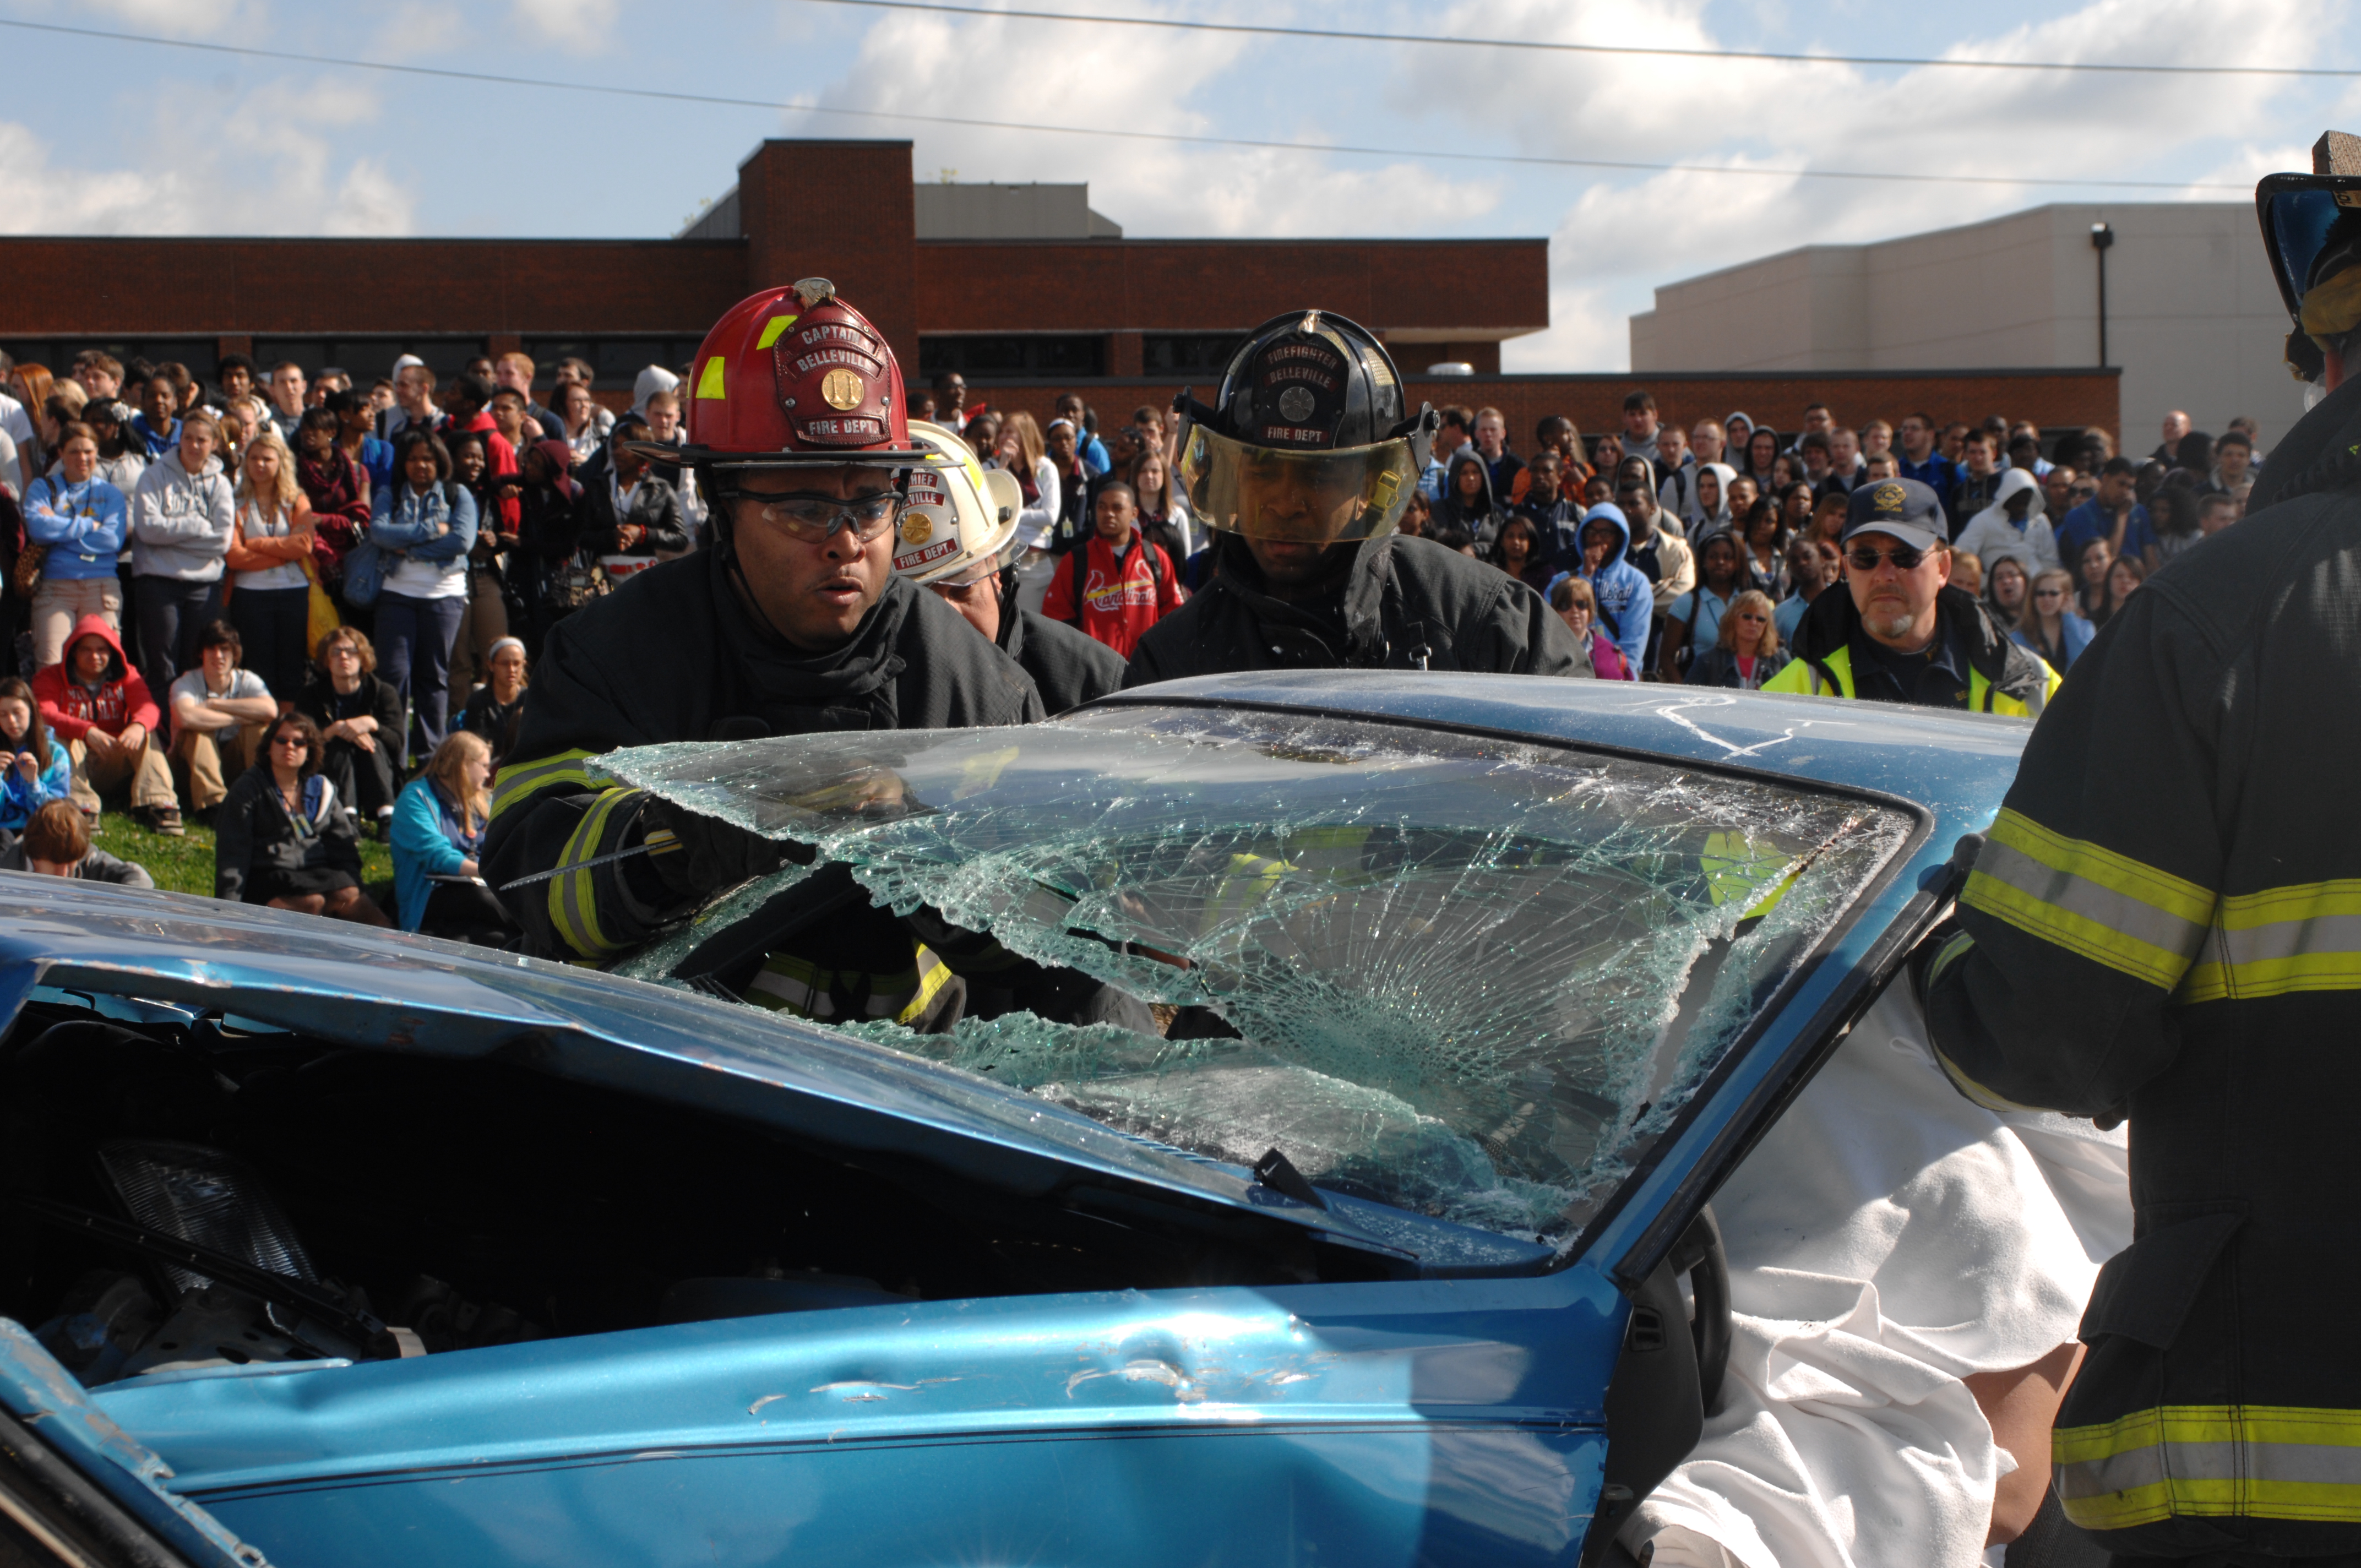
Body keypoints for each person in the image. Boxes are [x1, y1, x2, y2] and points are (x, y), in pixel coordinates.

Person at [1916, 129, 2361, 1564]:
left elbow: (2044, 1036)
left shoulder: (2218, 621)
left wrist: (1938, 945)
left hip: (2283, 1458)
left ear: (2327, 354)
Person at [482, 277, 1044, 973]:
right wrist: (664, 845)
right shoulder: (614, 654)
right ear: (722, 503)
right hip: (681, 1066)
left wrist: (929, 856)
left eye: (871, 504)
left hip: (905, 1066)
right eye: (805, 508)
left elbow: (1051, 945)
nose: (846, 543)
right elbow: (526, 870)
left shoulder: (978, 691)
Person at [1122, 310, 1581, 685]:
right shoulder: (1175, 663)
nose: (1285, 503)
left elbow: (1577, 723)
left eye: (1316, 477)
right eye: (1262, 471)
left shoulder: (1476, 618)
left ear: (1374, 486)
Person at [1763, 479, 2059, 713]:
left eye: (1905, 556)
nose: (1884, 574)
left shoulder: (2028, 681)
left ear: (1943, 568)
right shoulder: (1799, 690)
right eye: (1865, 557)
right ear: (1847, 570)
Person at [895, 419, 1122, 717]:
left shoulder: (1093, 682)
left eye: (962, 589)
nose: (946, 621)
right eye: (919, 603)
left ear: (998, 573)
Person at [215, 710, 388, 924]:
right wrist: (228, 910)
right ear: (269, 746)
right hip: (267, 874)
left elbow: (343, 846)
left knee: (349, 895)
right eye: (282, 740)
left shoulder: (321, 789)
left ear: (310, 751)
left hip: (314, 870)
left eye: (299, 743)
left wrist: (352, 879)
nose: (290, 747)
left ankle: (389, 948)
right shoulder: (248, 789)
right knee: (311, 902)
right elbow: (232, 853)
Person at [371, 429, 478, 755]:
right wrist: (432, 531)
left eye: (428, 458)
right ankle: (393, 754)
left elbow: (462, 541)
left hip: (444, 595)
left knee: (434, 677)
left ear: (439, 461)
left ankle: (429, 756)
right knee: (394, 675)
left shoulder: (457, 493)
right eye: (413, 458)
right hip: (396, 593)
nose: (420, 465)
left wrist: (412, 550)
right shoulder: (390, 493)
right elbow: (379, 533)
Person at [128, 411, 236, 713]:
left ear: (214, 443)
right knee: (162, 667)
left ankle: (191, 729)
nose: (193, 445)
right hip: (158, 584)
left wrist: (172, 531)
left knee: (195, 663)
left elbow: (222, 541)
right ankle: (161, 733)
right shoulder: (153, 475)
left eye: (202, 440)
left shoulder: (221, 484)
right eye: (187, 437)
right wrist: (196, 525)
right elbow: (148, 529)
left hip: (203, 586)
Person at [34, 617, 177, 832]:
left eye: (102, 650)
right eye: (86, 650)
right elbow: (44, 714)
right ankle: (82, 806)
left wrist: (138, 725)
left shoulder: (127, 674)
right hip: (74, 763)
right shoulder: (49, 676)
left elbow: (149, 708)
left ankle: (161, 803)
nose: (95, 657)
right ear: (73, 652)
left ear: (112, 652)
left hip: (114, 758)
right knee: (59, 737)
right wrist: (86, 731)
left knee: (147, 732)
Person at [390, 729, 516, 945]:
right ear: (463, 764)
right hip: (432, 894)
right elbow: (437, 855)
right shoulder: (415, 799)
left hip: (478, 888)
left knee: (499, 937)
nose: (488, 775)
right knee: (483, 899)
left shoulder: (481, 799)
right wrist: (490, 874)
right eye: (484, 766)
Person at [221, 428, 317, 705]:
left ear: (281, 462)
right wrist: (283, 552)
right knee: (258, 667)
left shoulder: (296, 500)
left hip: (293, 592)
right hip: (250, 595)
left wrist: (258, 544)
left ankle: (289, 729)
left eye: (267, 459)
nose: (260, 465)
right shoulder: (237, 502)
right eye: (253, 458)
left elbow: (303, 545)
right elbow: (235, 556)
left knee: (292, 668)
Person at [21, 423, 129, 669]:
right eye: (74, 452)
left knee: (100, 667)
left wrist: (59, 529)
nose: (82, 458)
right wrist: (89, 526)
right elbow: (38, 530)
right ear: (61, 453)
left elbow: (112, 540)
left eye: (88, 452)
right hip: (55, 589)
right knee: (51, 666)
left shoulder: (111, 494)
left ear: (97, 453)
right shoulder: (42, 488)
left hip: (101, 588)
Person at [1041, 481, 1184, 660]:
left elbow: (1175, 613)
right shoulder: (1077, 560)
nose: (1109, 514)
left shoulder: (1155, 557)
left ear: (1134, 514)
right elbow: (1055, 618)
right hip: (1095, 671)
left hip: (1146, 669)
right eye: (1102, 507)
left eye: (1117, 508)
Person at [296, 624, 406, 835]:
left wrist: (372, 725)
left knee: (373, 744)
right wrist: (334, 730)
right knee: (340, 745)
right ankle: (348, 815)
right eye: (336, 652)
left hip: (378, 764)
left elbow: (397, 743)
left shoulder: (383, 693)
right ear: (327, 660)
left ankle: (387, 815)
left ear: (363, 657)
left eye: (351, 651)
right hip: (330, 766)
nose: (344, 657)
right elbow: (303, 741)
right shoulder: (311, 695)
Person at [164, 618, 277, 821]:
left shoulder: (247, 680)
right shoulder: (186, 682)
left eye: (225, 649)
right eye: (211, 649)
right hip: (187, 768)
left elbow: (270, 711)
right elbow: (185, 717)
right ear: (201, 653)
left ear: (235, 654)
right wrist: (240, 718)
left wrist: (216, 705)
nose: (218, 656)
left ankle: (263, 797)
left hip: (232, 763)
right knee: (198, 731)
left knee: (258, 729)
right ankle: (213, 807)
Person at [1574, 503, 1653, 675]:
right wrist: (1585, 575)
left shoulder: (1637, 582)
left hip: (1618, 678)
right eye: (1591, 532)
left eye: (1605, 533)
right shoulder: (1562, 581)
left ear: (1619, 537)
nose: (1597, 539)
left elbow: (1633, 646)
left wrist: (1619, 678)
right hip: (1574, 676)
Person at [0, 799, 153, 887]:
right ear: (33, 856)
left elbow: (140, 879)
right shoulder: (7, 870)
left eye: (70, 864)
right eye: (55, 865)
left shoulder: (85, 857)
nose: (64, 874)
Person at [1660, 531, 1748, 680]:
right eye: (1713, 557)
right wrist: (1686, 693)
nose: (1720, 562)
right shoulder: (1687, 602)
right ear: (1703, 562)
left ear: (1737, 563)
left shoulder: (1747, 602)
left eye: (1728, 557)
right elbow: (1666, 658)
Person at [1951, 465, 2062, 582]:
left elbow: (2051, 560)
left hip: (2034, 590)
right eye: (2017, 502)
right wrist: (1986, 583)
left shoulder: (2041, 521)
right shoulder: (1983, 521)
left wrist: (2040, 584)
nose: (2021, 508)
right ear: (2007, 497)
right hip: (1998, 589)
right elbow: (1962, 557)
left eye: (2026, 502)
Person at [2054, 456, 2158, 573]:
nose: (2125, 492)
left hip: (2136, 582)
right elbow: (2106, 560)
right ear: (2106, 479)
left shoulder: (2139, 512)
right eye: (2121, 484)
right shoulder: (2078, 516)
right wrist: (2122, 515)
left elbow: (2151, 562)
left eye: (2130, 487)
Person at [0, 677, 71, 835]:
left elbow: (59, 811)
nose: (11, 720)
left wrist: (33, 784)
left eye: (17, 712)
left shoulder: (55, 754)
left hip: (42, 832)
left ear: (31, 711)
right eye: (3, 715)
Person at [1684, 589, 1787, 689]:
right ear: (1733, 619)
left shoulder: (1780, 660)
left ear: (1767, 625)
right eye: (1747, 616)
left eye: (1760, 619)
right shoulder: (1707, 662)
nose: (1753, 623)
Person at [456, 636, 530, 764]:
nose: (511, 670)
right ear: (491, 665)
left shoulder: (531, 699)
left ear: (524, 665)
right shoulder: (477, 701)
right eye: (505, 664)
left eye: (517, 664)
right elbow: (476, 748)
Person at [2012, 567, 2094, 673]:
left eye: (2054, 593)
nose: (2047, 599)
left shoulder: (2085, 628)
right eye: (2041, 593)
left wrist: (2068, 618)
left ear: (2067, 597)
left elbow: (2083, 662)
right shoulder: (2020, 635)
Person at [1547, 575, 1630, 679]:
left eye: (1581, 604)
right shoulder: (1543, 650)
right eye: (1565, 605)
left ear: (1590, 611)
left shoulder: (1612, 655)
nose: (1574, 610)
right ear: (1555, 612)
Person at [1432, 450, 1507, 545]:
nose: (1471, 478)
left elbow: (1504, 548)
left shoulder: (1497, 513)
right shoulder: (1441, 510)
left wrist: (1474, 550)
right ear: (1455, 477)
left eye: (1475, 472)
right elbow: (1442, 544)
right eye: (1464, 473)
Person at [1774, 535, 1838, 643]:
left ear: (1822, 560)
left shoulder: (1842, 601)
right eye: (1794, 561)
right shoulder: (1781, 613)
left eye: (1807, 557)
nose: (1802, 563)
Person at [2073, 536, 2114, 625]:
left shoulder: (2122, 595)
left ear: (2112, 560)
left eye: (2100, 558)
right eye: (2087, 561)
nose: (2093, 565)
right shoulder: (2075, 601)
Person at [1984, 553, 2031, 632]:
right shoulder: (1986, 621)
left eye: (2012, 575)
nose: (2006, 581)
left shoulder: (2040, 618)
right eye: (1999, 578)